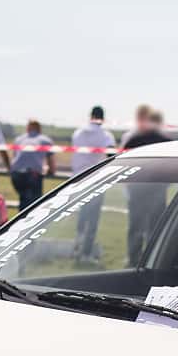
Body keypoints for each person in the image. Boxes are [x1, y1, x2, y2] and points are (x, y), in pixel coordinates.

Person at [121, 107, 171, 265]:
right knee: (154, 229)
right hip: (157, 190)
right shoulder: (166, 142)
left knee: (136, 227)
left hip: (138, 190)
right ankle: (151, 260)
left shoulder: (135, 140)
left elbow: (124, 164)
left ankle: (133, 259)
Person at [68, 105, 116, 261]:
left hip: (78, 178)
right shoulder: (106, 135)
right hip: (95, 180)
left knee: (82, 216)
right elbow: (111, 156)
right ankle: (86, 254)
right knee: (92, 219)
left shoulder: (78, 133)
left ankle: (76, 247)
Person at [7, 118, 55, 211]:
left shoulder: (19, 139)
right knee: (33, 205)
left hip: (16, 174)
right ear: (39, 128)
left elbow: (15, 156)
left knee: (23, 199)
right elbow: (51, 161)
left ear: (27, 128)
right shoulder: (45, 140)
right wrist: (50, 171)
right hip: (32, 174)